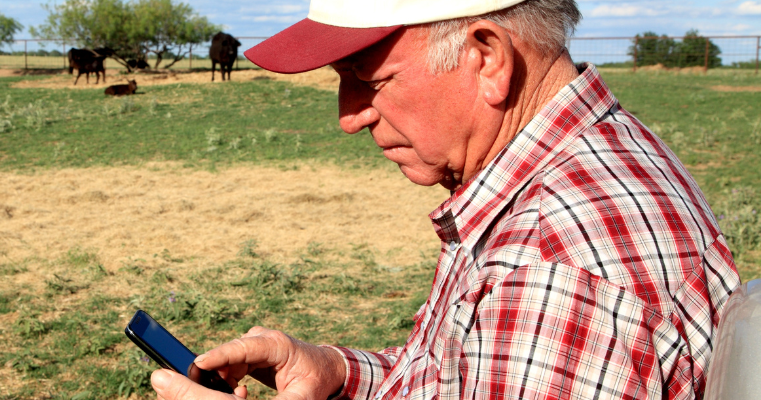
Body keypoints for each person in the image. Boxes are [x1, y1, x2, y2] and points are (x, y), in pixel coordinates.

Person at [150, 0, 743, 399]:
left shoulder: (554, 265)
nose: (348, 116)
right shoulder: (559, 166)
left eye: (369, 78)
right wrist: (338, 372)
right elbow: (458, 377)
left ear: (486, 58)